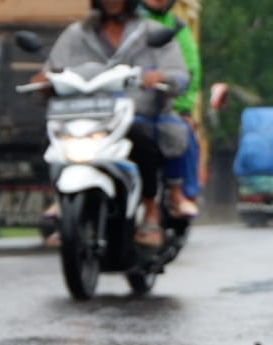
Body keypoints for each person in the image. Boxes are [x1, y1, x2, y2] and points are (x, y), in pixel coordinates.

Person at [34, 0, 189, 247]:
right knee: (51, 140)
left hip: (134, 115)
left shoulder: (150, 32)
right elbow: (51, 69)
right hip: (85, 116)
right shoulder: (76, 34)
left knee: (143, 144)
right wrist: (44, 79)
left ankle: (151, 213)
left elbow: (180, 75)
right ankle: (64, 204)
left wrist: (161, 76)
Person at [138, 0, 200, 219]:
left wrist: (184, 109)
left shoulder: (176, 28)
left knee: (180, 133)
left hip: (160, 104)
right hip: (117, 104)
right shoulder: (117, 25)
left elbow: (188, 71)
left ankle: (180, 194)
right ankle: (64, 200)